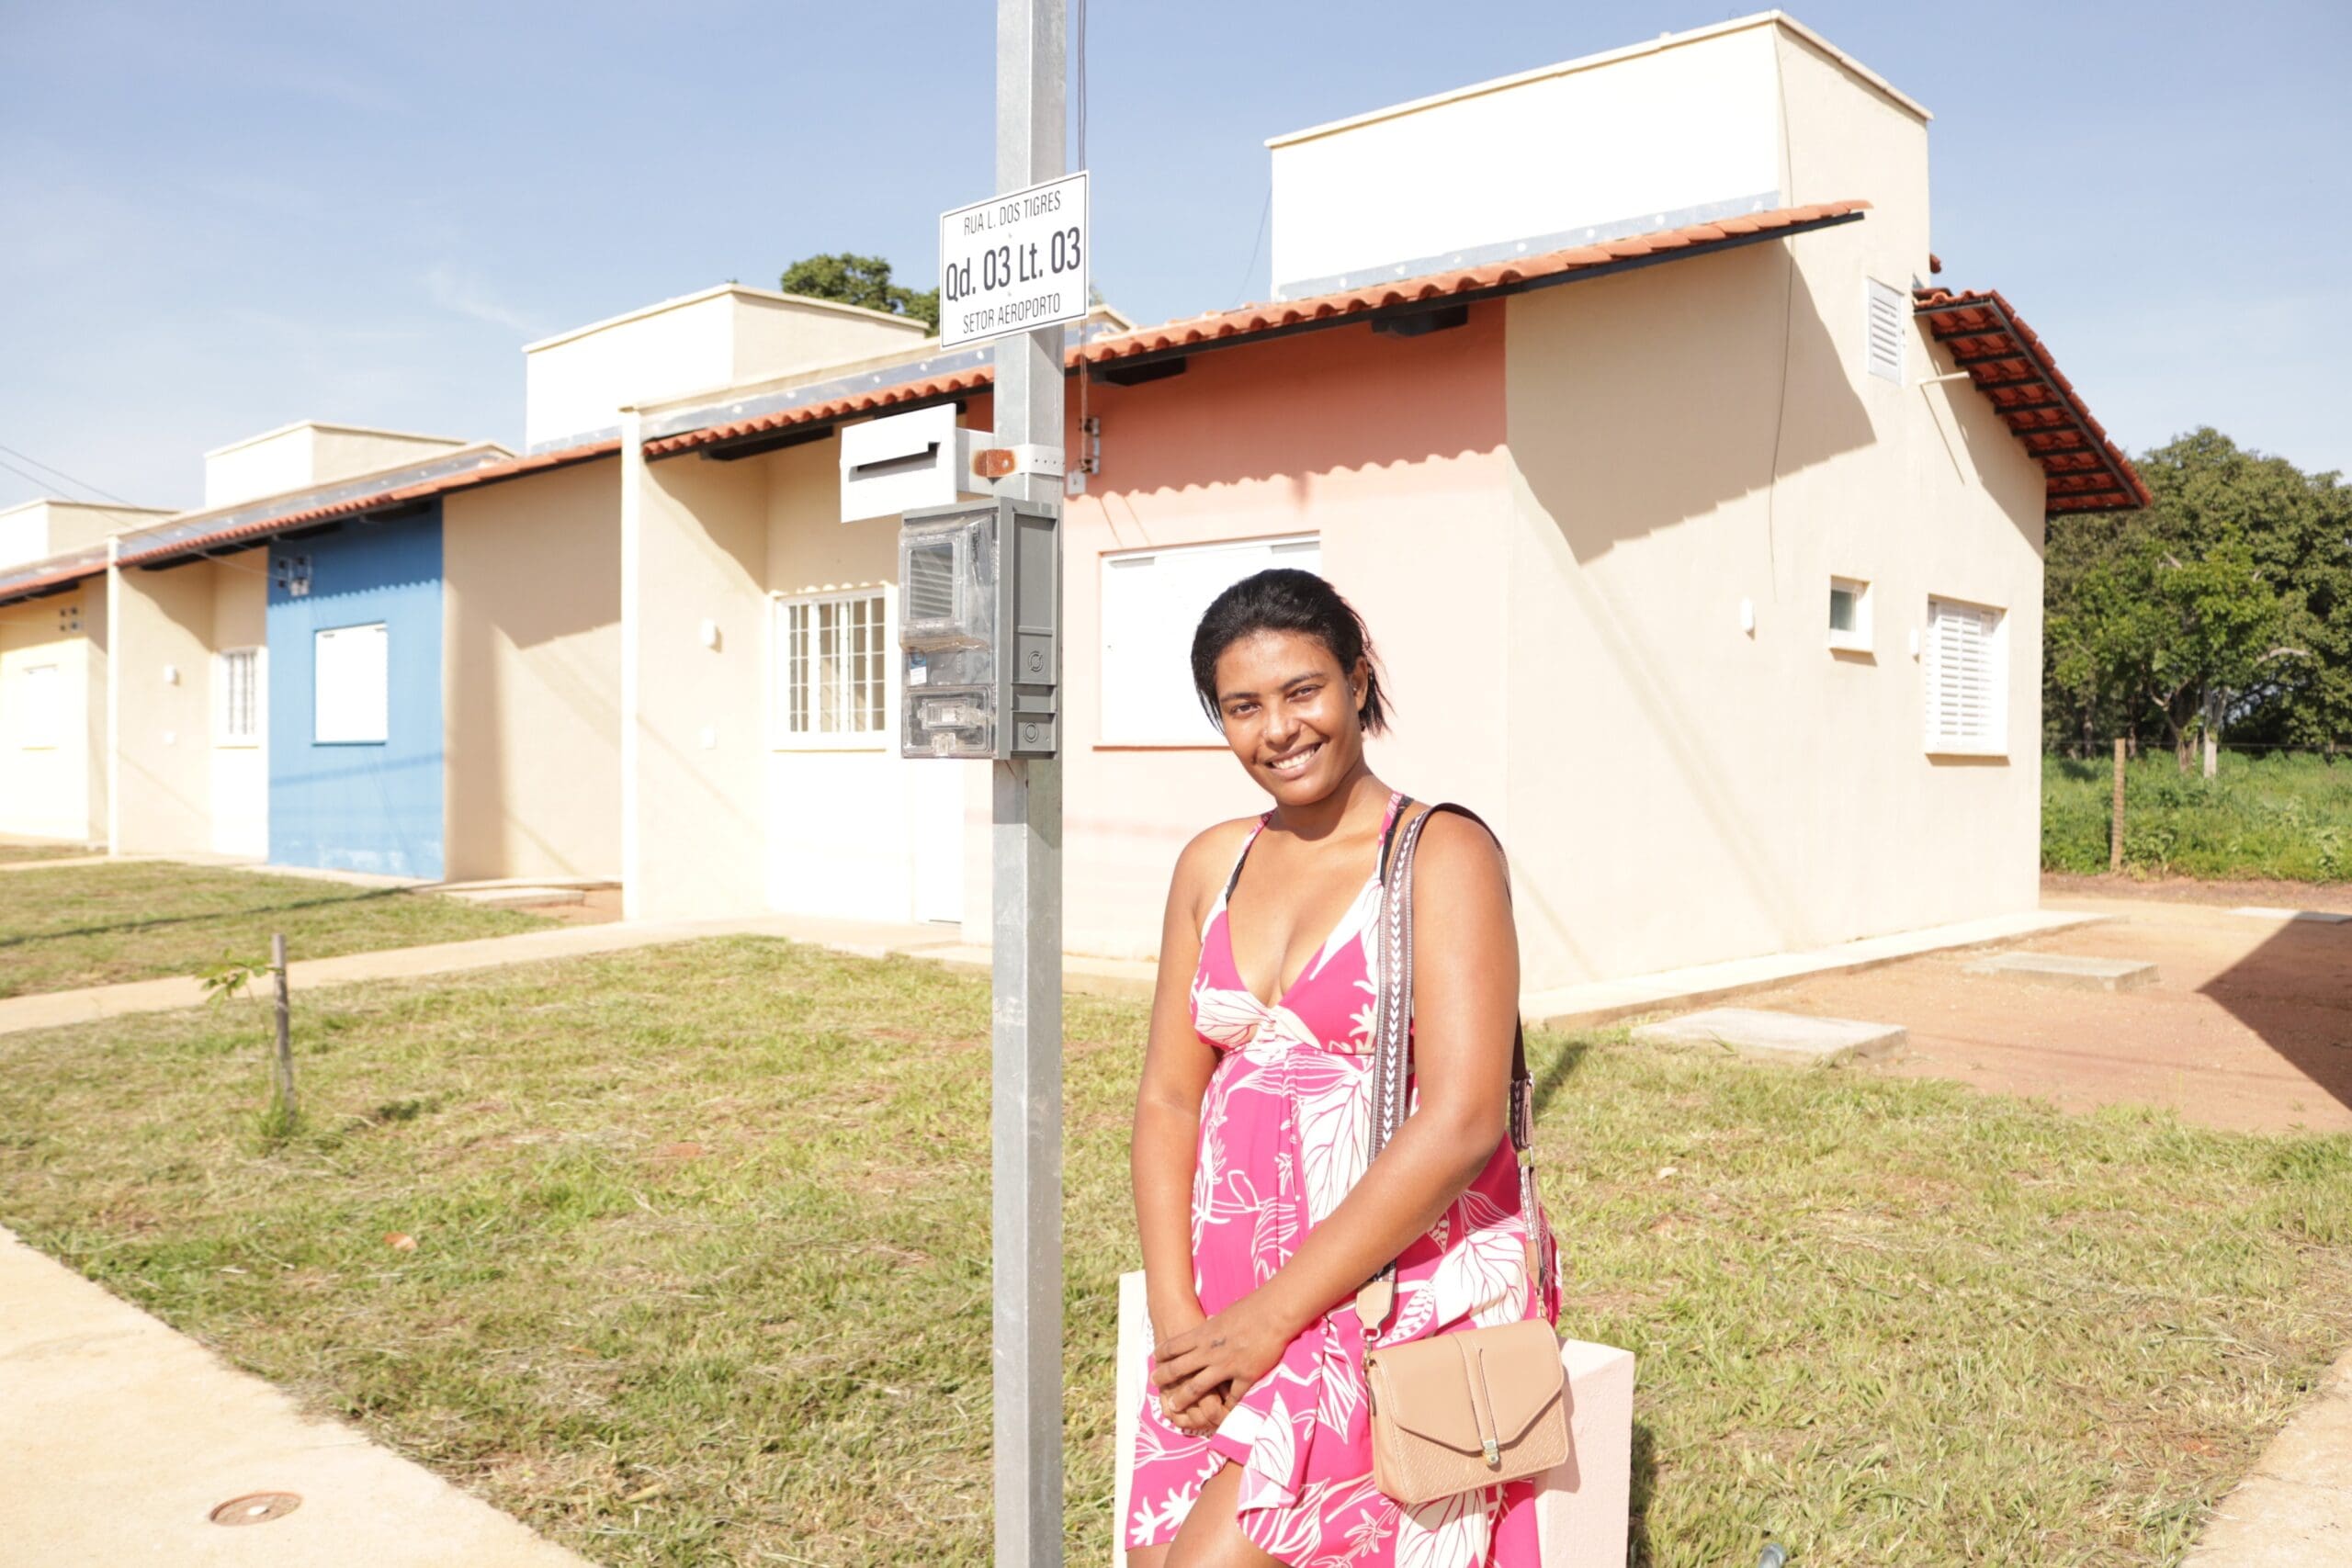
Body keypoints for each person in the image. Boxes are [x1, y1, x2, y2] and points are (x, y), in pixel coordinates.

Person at [1125, 569, 1558, 1568]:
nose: (1278, 728)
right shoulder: (1212, 864)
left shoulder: (1439, 854)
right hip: (1224, 1294)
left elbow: (1461, 1118)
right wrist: (1178, 1316)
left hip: (1379, 1290)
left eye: (1302, 690)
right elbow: (1165, 1098)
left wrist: (1265, 1325)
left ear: (1358, 684)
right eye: (1243, 706)